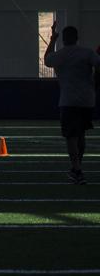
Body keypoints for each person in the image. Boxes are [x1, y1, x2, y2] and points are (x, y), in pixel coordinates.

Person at [43, 22, 100, 185]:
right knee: (81, 135)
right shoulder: (87, 53)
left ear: (64, 39)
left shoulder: (60, 55)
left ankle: (77, 169)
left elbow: (46, 59)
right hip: (87, 99)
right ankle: (77, 167)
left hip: (68, 100)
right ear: (77, 38)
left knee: (71, 136)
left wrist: (53, 39)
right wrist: (96, 83)